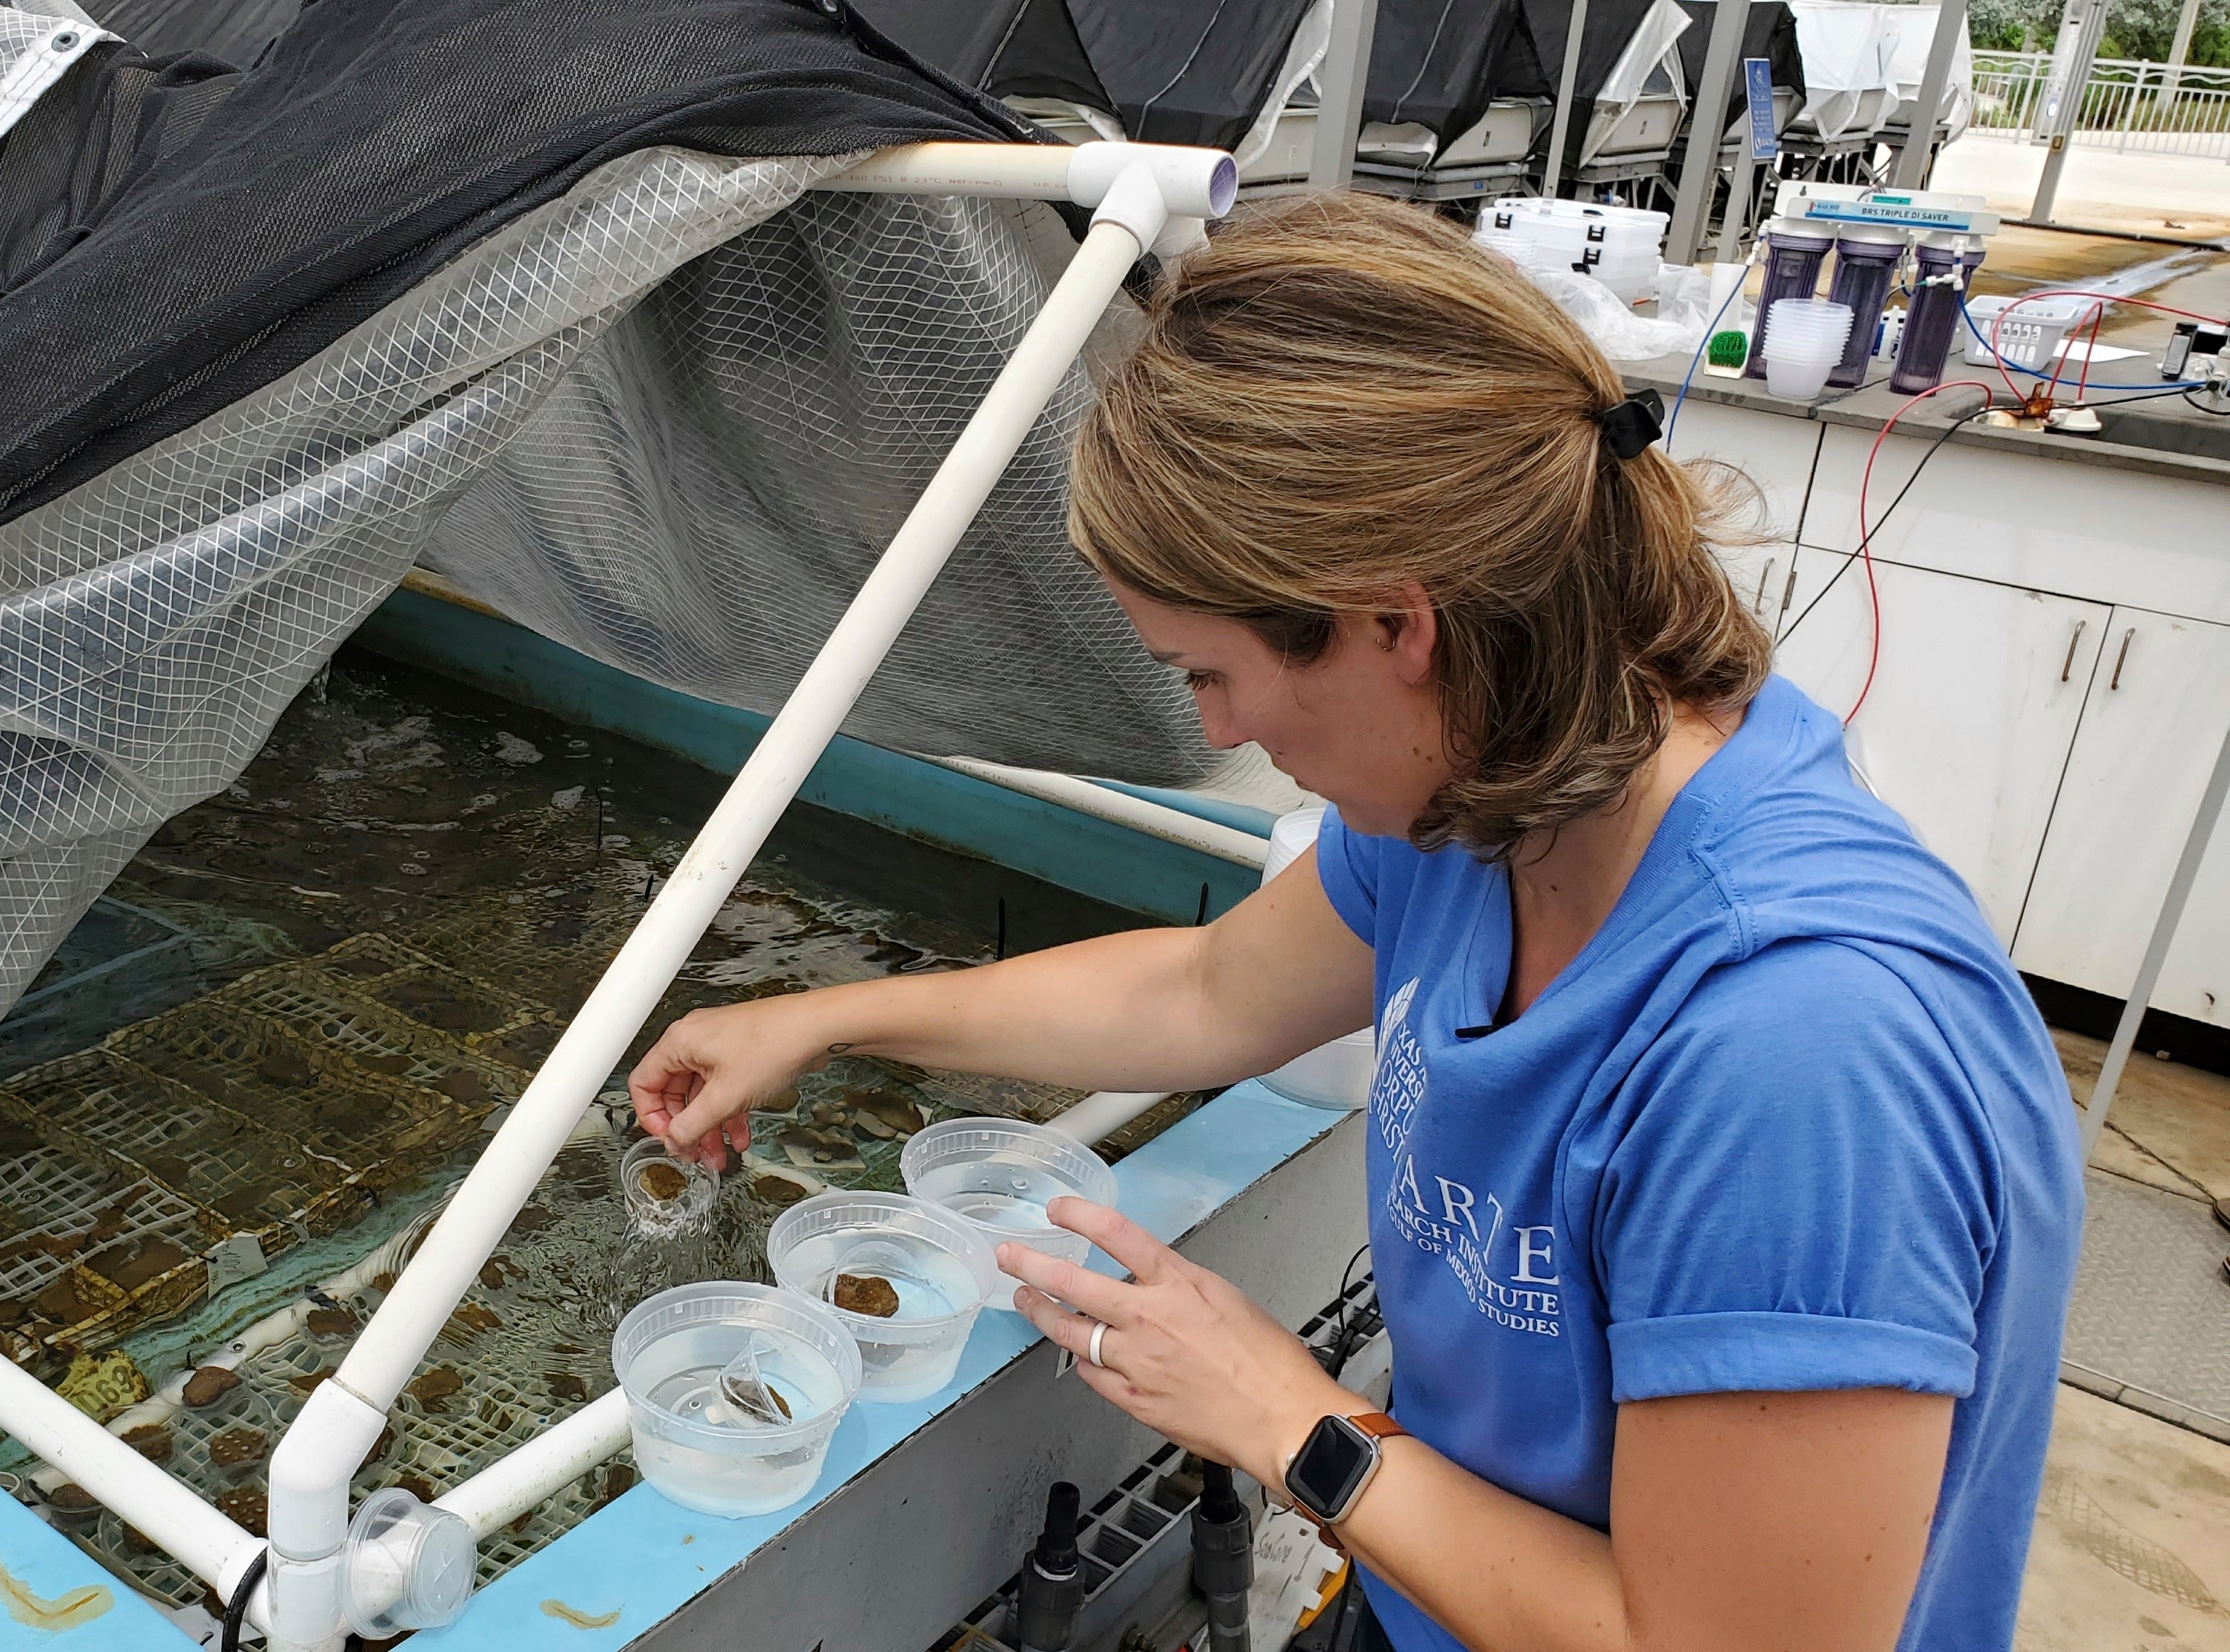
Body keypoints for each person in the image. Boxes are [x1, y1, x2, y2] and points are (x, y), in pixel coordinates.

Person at [628, 193, 2082, 1652]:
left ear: (1397, 624)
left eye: (1208, 674)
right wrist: (822, 1019)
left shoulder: (1798, 1055)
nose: (1227, 733)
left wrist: (1288, 1420)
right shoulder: (1486, 807)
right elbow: (1203, 994)